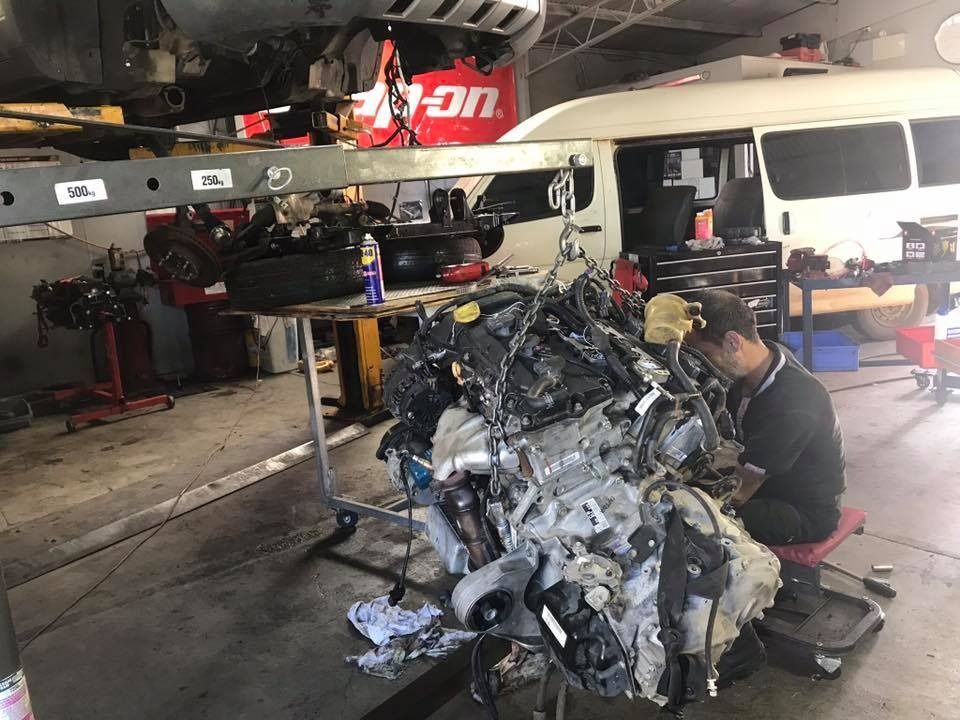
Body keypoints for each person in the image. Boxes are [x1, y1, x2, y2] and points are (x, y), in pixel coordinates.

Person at [685, 289, 845, 545]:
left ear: (733, 342)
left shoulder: (793, 405)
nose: (702, 364)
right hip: (775, 479)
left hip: (803, 510)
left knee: (694, 522)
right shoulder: (767, 356)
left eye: (704, 354)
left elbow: (740, 492)